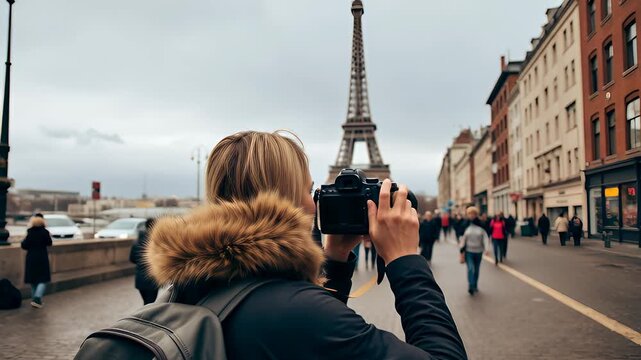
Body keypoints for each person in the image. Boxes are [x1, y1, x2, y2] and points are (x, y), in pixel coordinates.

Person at [146, 131, 467, 359]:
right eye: (309, 190)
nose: (315, 205)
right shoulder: (297, 311)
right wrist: (404, 258)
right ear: (282, 198)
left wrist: (336, 260)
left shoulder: (181, 289)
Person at [20, 213, 52, 308]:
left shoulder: (30, 232)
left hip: (31, 258)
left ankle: (34, 299)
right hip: (42, 257)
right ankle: (37, 298)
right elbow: (49, 243)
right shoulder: (45, 232)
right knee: (43, 279)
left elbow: (24, 245)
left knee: (33, 280)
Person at [459, 207, 490, 295]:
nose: (471, 215)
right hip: (469, 251)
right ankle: (471, 286)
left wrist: (487, 249)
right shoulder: (465, 224)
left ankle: (475, 285)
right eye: (470, 213)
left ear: (476, 214)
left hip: (479, 251)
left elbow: (485, 238)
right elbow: (462, 238)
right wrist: (461, 250)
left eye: (473, 213)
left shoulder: (481, 224)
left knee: (476, 269)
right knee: (470, 268)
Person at [129, 218, 159, 305]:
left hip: (139, 279)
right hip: (152, 279)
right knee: (150, 303)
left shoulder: (136, 242)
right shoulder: (156, 242)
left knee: (146, 302)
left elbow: (132, 259)